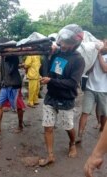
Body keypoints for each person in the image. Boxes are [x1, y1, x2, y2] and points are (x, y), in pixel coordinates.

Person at [39, 24, 85, 166]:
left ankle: (72, 142)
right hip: (51, 96)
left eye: (67, 43)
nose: (63, 45)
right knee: (48, 126)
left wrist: (51, 80)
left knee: (67, 126)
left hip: (66, 98)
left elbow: (72, 83)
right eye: (62, 41)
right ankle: (50, 155)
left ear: (75, 44)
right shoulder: (56, 53)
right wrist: (48, 56)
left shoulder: (78, 59)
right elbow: (43, 72)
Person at [77, 40, 107, 143]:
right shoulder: (93, 56)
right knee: (85, 112)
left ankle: (102, 131)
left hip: (104, 90)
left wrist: (98, 55)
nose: (104, 45)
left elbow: (105, 69)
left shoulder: (101, 56)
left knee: (104, 113)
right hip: (90, 88)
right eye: (104, 42)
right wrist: (93, 57)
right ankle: (79, 135)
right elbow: (88, 70)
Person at [0, 54, 25, 134]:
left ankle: (20, 125)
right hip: (5, 85)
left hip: (14, 85)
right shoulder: (2, 57)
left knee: (18, 107)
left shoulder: (13, 56)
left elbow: (12, 68)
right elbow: (2, 73)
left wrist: (8, 57)